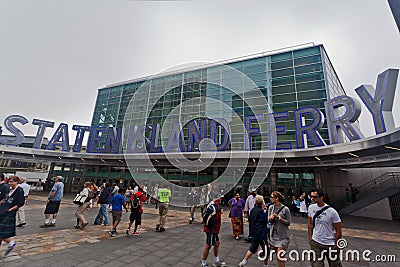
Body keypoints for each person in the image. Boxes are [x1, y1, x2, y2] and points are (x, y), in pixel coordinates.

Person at [308, 189, 342, 267]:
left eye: (315, 197)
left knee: (335, 264)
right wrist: (311, 238)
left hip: (330, 243)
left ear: (321, 197)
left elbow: (338, 230)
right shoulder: (311, 208)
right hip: (316, 242)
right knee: (316, 264)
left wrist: (336, 245)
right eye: (311, 197)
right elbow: (310, 224)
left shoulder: (332, 212)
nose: (312, 199)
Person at [238, 195, 269, 267]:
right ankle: (265, 264)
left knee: (253, 248)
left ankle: (244, 261)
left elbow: (250, 219)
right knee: (266, 248)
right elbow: (265, 220)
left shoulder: (253, 210)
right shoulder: (261, 211)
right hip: (261, 233)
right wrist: (266, 212)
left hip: (254, 232)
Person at [0, 176, 25, 257]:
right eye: (9, 182)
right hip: (3, 211)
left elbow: (20, 203)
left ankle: (11, 242)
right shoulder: (9, 189)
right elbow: (5, 199)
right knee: (1, 233)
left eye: (11, 182)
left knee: (1, 233)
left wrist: (10, 210)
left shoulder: (19, 191)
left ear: (16, 182)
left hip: (9, 213)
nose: (9, 183)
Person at [201, 192, 226, 267]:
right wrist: (219, 210)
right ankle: (203, 263)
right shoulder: (213, 206)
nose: (221, 199)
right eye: (220, 197)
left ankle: (216, 261)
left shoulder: (215, 205)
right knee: (208, 245)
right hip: (211, 229)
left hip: (214, 229)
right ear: (217, 198)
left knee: (217, 243)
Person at [267, 191, 291, 267]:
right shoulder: (271, 207)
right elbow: (269, 221)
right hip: (273, 235)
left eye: (272, 197)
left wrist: (280, 218)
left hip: (282, 236)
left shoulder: (285, 209)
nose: (270, 198)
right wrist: (271, 218)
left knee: (280, 256)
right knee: (277, 255)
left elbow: (288, 222)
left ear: (277, 198)